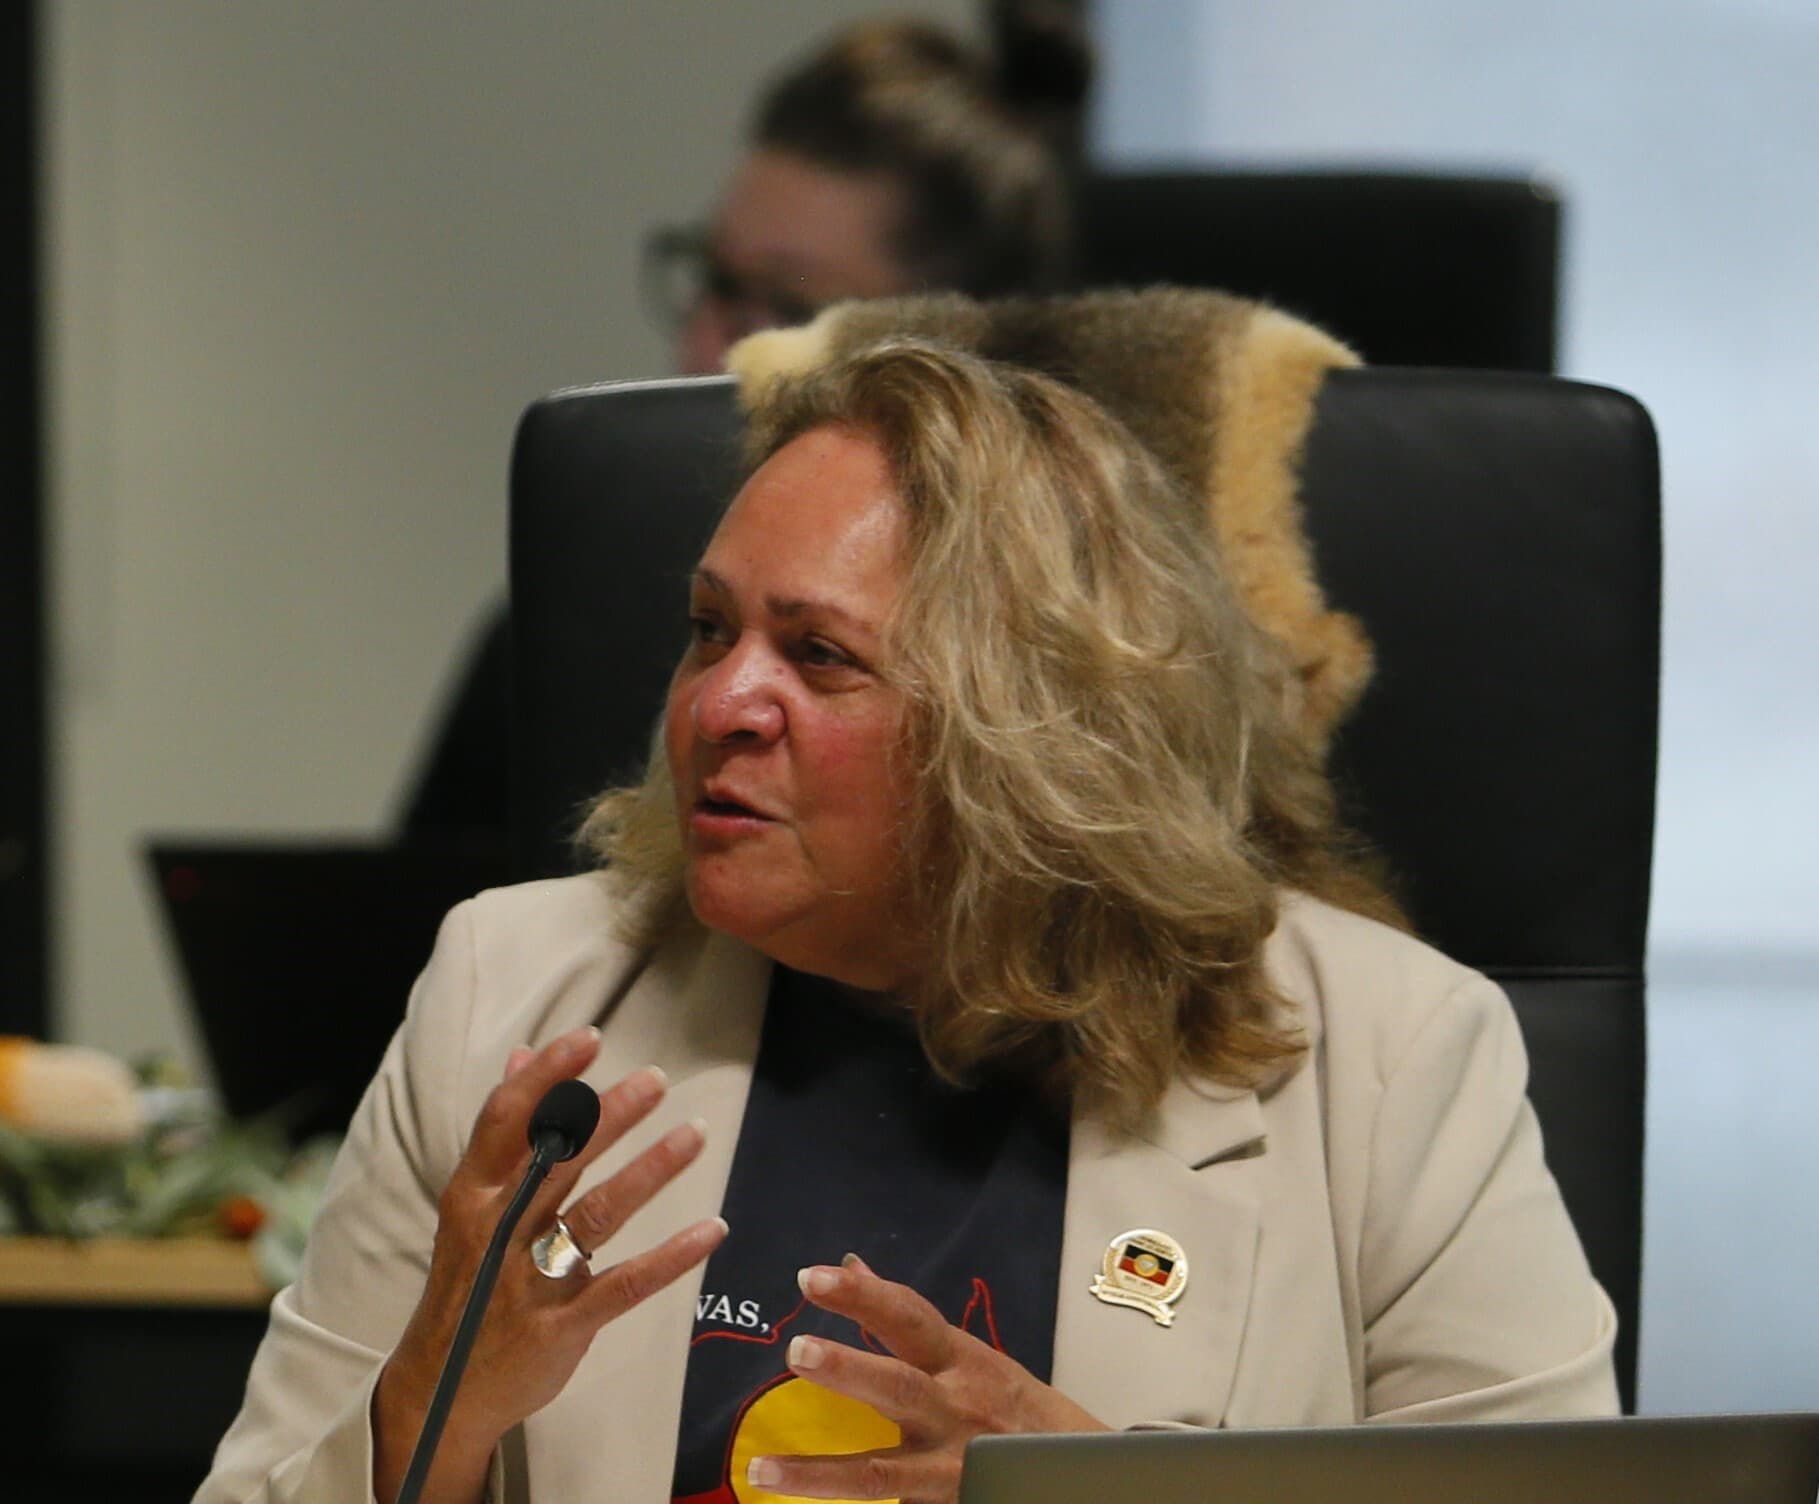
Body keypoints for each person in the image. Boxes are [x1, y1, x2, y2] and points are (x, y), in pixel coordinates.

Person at [198, 339, 1617, 1504]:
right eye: (708, 631)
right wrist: (419, 1426)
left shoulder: (1386, 1057)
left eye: (816, 656)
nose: (716, 706)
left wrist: (1096, 1499)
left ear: (1034, 733)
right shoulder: (512, 993)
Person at [395, 2, 1092, 846]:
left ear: (955, 351)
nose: (709, 346)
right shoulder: (553, 636)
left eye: (786, 306)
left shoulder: (1072, 671)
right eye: (715, 280)